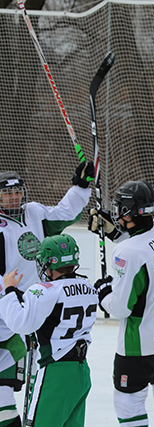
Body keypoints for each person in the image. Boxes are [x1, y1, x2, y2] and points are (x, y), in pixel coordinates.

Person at [90, 180, 154, 427]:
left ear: (127, 212)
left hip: (140, 345)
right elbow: (146, 246)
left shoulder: (127, 253)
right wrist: (116, 233)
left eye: (119, 208)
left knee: (128, 404)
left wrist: (103, 293)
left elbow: (120, 308)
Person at [0, 163, 93, 427]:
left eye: (17, 192)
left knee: (32, 373)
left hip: (34, 306)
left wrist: (80, 186)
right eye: (7, 194)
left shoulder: (34, 212)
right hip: (6, 303)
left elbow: (64, 213)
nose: (13, 197)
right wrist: (7, 292)